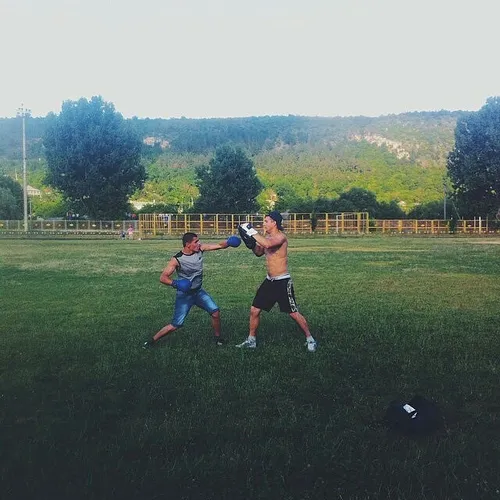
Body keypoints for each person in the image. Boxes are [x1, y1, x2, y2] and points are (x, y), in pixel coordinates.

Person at [236, 211, 317, 352]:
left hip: (282, 282)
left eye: (266, 221)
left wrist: (251, 231)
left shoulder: (280, 237)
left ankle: (310, 339)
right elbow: (259, 252)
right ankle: (251, 340)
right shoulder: (266, 237)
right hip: (269, 281)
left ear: (274, 222)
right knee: (254, 310)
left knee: (293, 312)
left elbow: (267, 245)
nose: (264, 223)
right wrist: (250, 243)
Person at [143, 232, 241, 348]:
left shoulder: (200, 249)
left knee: (215, 312)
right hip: (185, 295)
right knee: (176, 324)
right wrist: (176, 283)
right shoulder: (177, 259)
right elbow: (163, 278)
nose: (199, 243)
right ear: (188, 244)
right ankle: (151, 341)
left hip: (198, 292)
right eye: (196, 242)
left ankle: (218, 339)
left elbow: (219, 245)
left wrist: (229, 242)